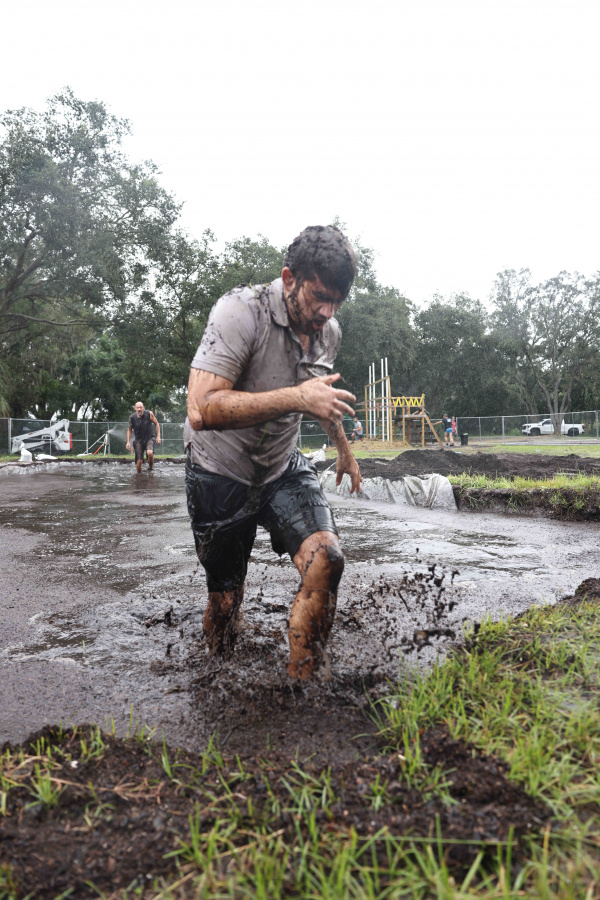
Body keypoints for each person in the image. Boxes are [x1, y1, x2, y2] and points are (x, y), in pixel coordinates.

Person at [185, 225, 362, 679]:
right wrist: (295, 397)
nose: (327, 312)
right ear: (289, 279)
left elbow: (319, 398)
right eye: (319, 297)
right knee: (226, 606)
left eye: (337, 301)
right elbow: (201, 409)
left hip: (281, 466)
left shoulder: (328, 333)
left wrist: (344, 450)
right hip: (219, 471)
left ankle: (303, 688)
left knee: (327, 561)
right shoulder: (240, 312)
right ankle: (215, 682)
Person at [126, 402, 161, 473]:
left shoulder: (149, 414)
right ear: (135, 408)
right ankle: (139, 476)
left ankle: (150, 469)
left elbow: (156, 423)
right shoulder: (132, 418)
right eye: (138, 408)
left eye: (141, 407)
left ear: (143, 408)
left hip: (149, 438)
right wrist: (128, 442)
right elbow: (129, 430)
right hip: (138, 440)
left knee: (150, 453)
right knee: (139, 462)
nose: (139, 409)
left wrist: (158, 436)